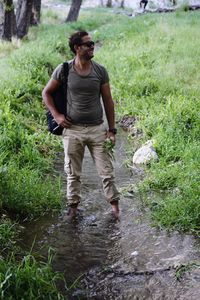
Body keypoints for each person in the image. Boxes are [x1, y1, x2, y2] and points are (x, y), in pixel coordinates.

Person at [42, 31, 120, 219]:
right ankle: (73, 209)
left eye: (92, 43)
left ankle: (116, 211)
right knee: (73, 173)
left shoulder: (100, 70)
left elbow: (108, 101)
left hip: (97, 130)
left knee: (107, 172)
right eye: (88, 44)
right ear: (77, 48)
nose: (93, 46)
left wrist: (111, 130)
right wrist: (57, 116)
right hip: (72, 130)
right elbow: (46, 93)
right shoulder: (64, 69)